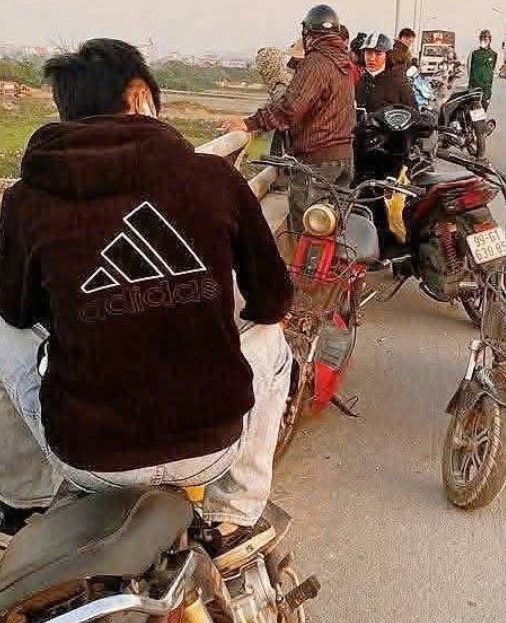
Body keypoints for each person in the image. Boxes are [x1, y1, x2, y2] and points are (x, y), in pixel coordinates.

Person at [0, 38, 294, 559]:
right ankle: (233, 517)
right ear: (140, 97)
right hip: (211, 447)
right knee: (272, 338)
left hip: (87, 459)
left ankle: (23, 504)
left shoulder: (26, 199)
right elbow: (272, 301)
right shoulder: (214, 179)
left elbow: (17, 312)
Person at [224, 5, 356, 231]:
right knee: (330, 231)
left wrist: (249, 123)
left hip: (317, 161)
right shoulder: (343, 62)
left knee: (308, 235)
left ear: (308, 33)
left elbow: (290, 109)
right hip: (342, 158)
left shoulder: (317, 62)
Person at [355, 31, 416, 113]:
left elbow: (414, 114)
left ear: (387, 55)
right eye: (368, 53)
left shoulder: (400, 83)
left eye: (378, 53)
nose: (371, 58)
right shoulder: (362, 80)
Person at [468, 30, 498, 108]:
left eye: (486, 39)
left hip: (486, 86)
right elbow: (470, 69)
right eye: (482, 38)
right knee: (472, 107)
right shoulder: (475, 53)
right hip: (474, 85)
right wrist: (470, 84)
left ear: (490, 40)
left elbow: (492, 69)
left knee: (484, 106)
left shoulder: (493, 54)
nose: (484, 40)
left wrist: (488, 80)